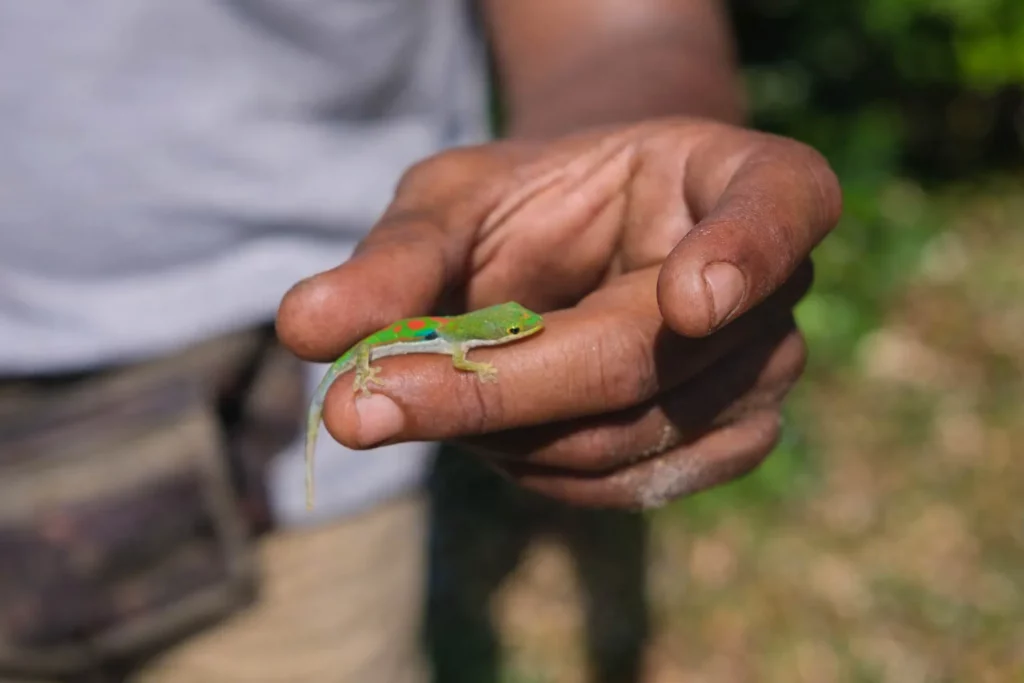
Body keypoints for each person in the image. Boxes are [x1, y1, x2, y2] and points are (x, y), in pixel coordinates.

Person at [0, 1, 840, 682]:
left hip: (273, 424)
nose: (519, 332)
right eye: (515, 329)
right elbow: (461, 347)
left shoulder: (475, 332)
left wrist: (624, 187)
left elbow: (626, 26)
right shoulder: (473, 337)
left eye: (517, 328)